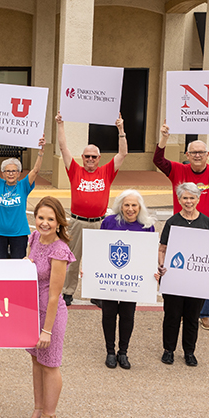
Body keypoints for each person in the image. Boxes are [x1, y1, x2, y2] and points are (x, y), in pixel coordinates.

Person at [154, 119, 209, 329]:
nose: (197, 155)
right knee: (179, 268)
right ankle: (178, 307)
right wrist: (164, 138)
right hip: (181, 229)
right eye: (193, 152)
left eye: (201, 152)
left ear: (207, 155)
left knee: (206, 270)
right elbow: (158, 161)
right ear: (187, 155)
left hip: (208, 229)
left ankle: (205, 312)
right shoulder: (177, 170)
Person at [56, 111, 127, 305]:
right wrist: (61, 125)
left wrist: (120, 130)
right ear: (82, 157)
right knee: (72, 260)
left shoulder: (106, 172)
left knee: (98, 261)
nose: (90, 159)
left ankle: (97, 293)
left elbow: (123, 154)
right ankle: (68, 292)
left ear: (99, 158)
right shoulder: (75, 171)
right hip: (78, 222)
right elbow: (63, 147)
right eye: (87, 156)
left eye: (93, 157)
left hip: (99, 223)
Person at [22, 196, 73, 418]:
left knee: (50, 364)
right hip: (32, 311)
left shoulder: (60, 250)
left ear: (59, 222)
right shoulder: (33, 238)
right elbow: (29, 266)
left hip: (50, 315)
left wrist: (47, 330)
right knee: (36, 361)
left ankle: (50, 416)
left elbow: (54, 296)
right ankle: (38, 409)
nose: (44, 223)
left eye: (50, 219)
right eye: (41, 217)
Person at [155, 182, 209, 367]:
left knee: (192, 317)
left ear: (198, 198)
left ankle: (189, 352)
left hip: (197, 280)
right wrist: (162, 265)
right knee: (172, 316)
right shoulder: (172, 222)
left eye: (192, 197)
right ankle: (169, 350)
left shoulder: (207, 222)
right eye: (185, 198)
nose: (188, 201)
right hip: (174, 278)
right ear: (179, 199)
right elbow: (163, 248)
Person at [96, 190, 155, 369]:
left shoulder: (147, 226)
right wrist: (91, 269)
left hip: (132, 280)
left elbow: (149, 254)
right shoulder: (109, 222)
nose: (130, 209)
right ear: (120, 206)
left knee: (128, 315)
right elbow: (98, 247)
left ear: (140, 207)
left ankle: (123, 352)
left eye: (134, 205)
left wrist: (153, 272)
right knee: (109, 314)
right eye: (126, 205)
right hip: (110, 277)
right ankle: (110, 352)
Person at [0, 135, 46, 259]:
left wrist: (41, 152)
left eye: (14, 171)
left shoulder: (24, 186)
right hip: (0, 233)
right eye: (7, 171)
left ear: (19, 173)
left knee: (18, 265)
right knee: (0, 265)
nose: (11, 174)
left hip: (19, 233)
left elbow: (36, 170)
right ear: (3, 173)